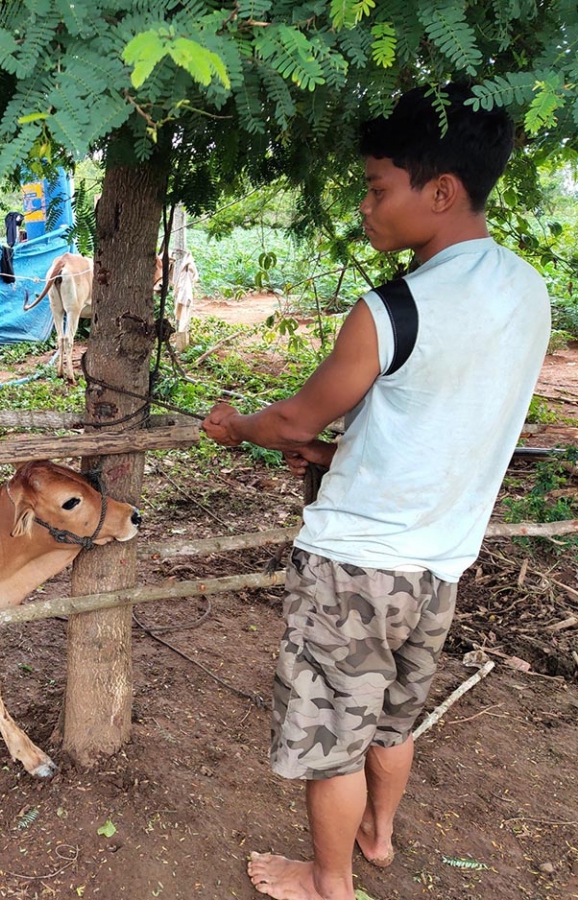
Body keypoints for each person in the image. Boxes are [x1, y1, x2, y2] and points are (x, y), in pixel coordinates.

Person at [201, 84, 550, 900]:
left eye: (376, 187)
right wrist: (333, 456)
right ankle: (379, 840)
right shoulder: (527, 291)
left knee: (333, 738)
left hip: (355, 564)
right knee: (395, 717)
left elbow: (291, 416)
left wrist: (238, 425)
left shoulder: (392, 309)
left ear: (440, 193)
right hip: (439, 562)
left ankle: (327, 881)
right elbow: (438, 420)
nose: (365, 205)